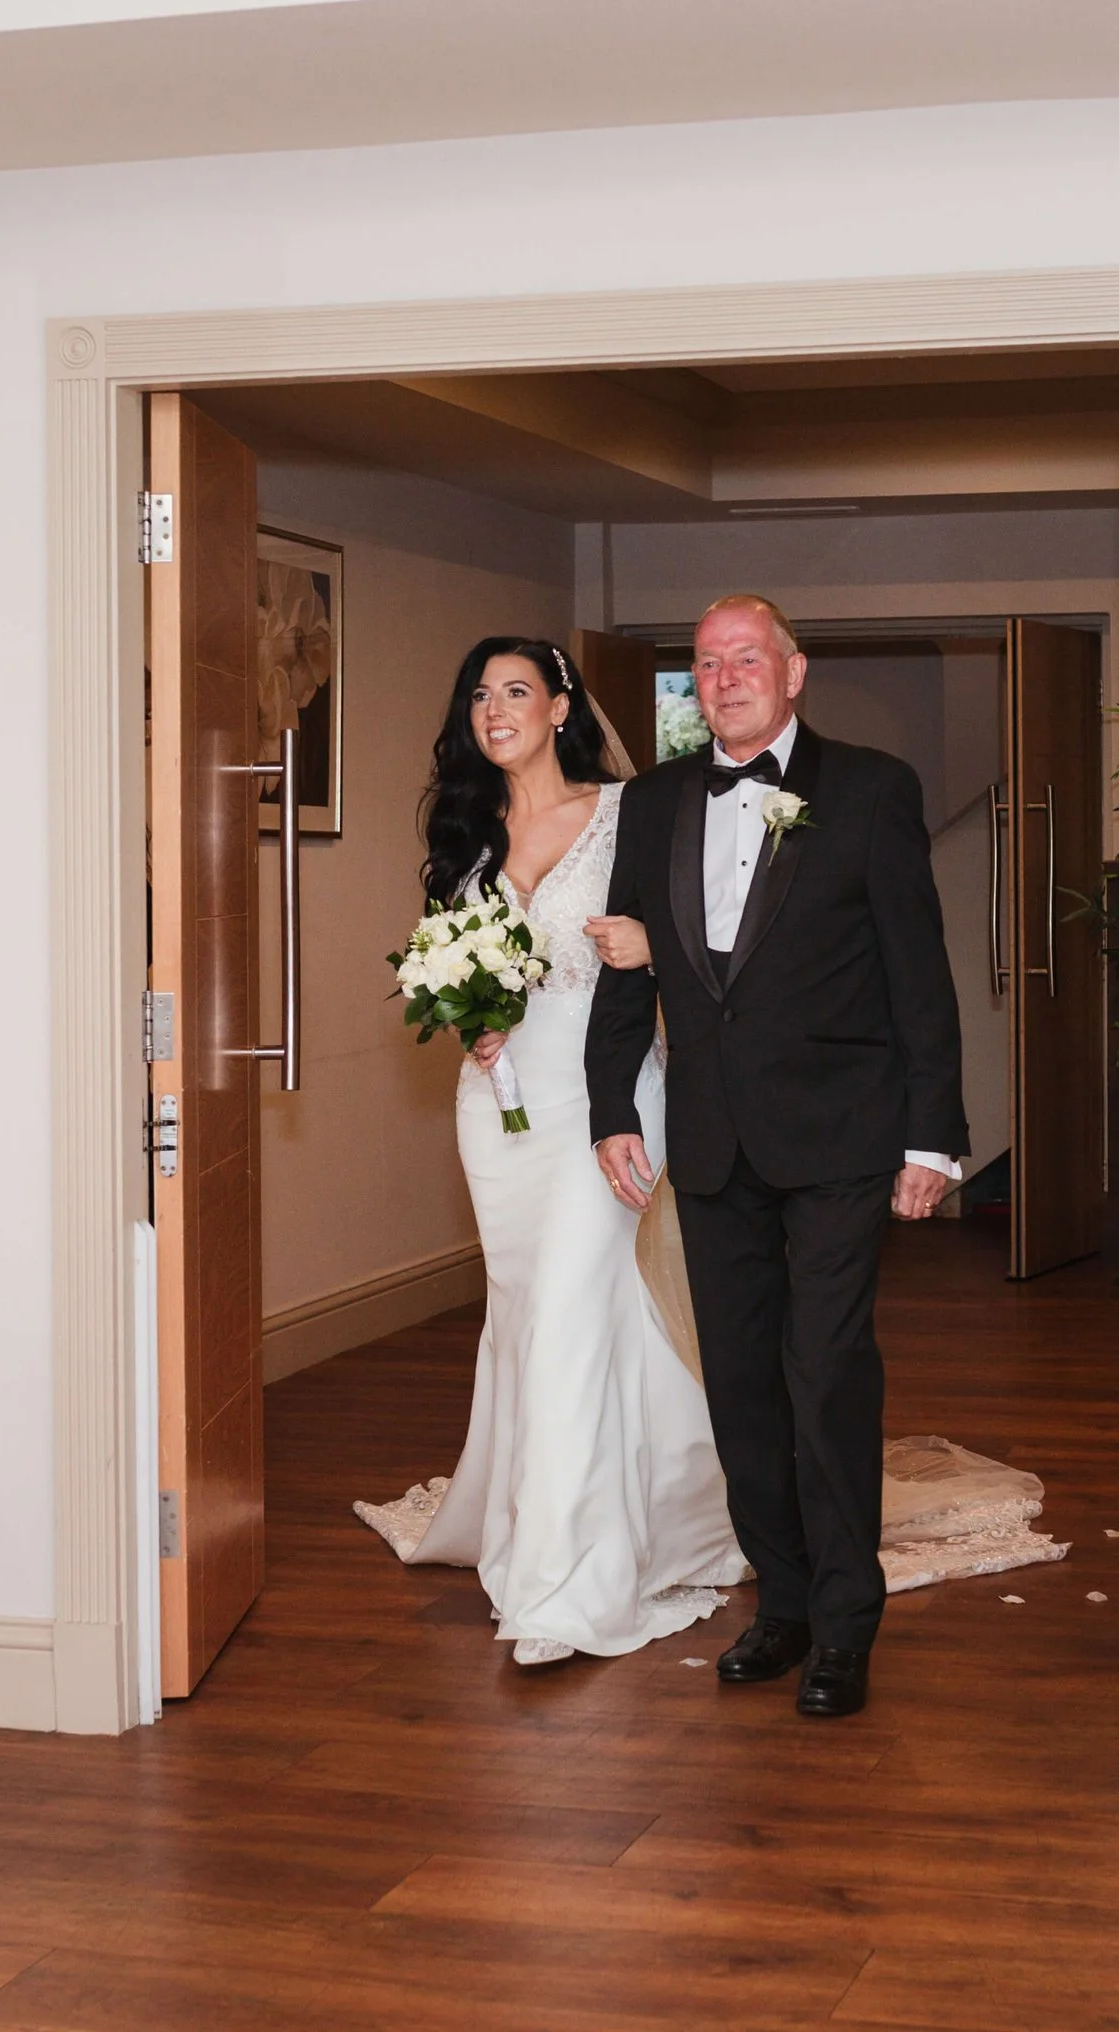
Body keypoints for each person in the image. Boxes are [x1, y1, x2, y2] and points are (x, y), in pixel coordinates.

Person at [585, 594, 969, 1719]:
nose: (726, 678)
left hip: (842, 1133)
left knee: (826, 1368)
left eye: (747, 658)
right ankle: (784, 1600)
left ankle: (846, 1621)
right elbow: (628, 966)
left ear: (794, 672)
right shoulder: (655, 801)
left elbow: (918, 971)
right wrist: (613, 1105)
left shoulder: (872, 789)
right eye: (707, 663)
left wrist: (934, 1134)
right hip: (711, 1140)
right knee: (742, 1380)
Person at [355, 637, 746, 1665]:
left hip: (605, 1097)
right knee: (537, 1315)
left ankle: (564, 1588)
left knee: (571, 1311)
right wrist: (470, 1019)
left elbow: (716, 938)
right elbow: (448, 959)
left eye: (517, 691)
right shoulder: (465, 833)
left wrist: (655, 947)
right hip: (496, 1109)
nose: (495, 709)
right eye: (480, 694)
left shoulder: (624, 814)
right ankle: (667, 1508)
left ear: (561, 707)